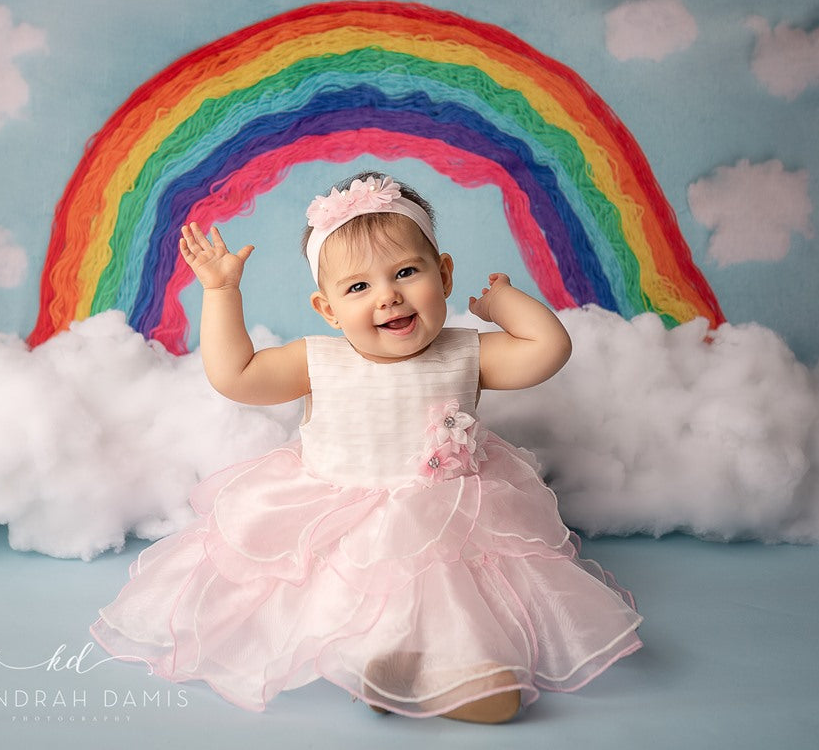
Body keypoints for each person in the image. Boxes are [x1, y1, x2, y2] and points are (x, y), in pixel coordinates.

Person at [90, 172, 642, 724]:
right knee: (341, 596)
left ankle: (418, 671)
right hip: (338, 524)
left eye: (406, 272)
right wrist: (220, 292)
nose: (388, 295)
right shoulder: (318, 360)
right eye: (358, 287)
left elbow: (548, 349)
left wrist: (504, 302)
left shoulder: (466, 351)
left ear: (444, 275)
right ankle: (379, 661)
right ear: (328, 310)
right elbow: (236, 374)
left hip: (448, 520)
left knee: (448, 596)